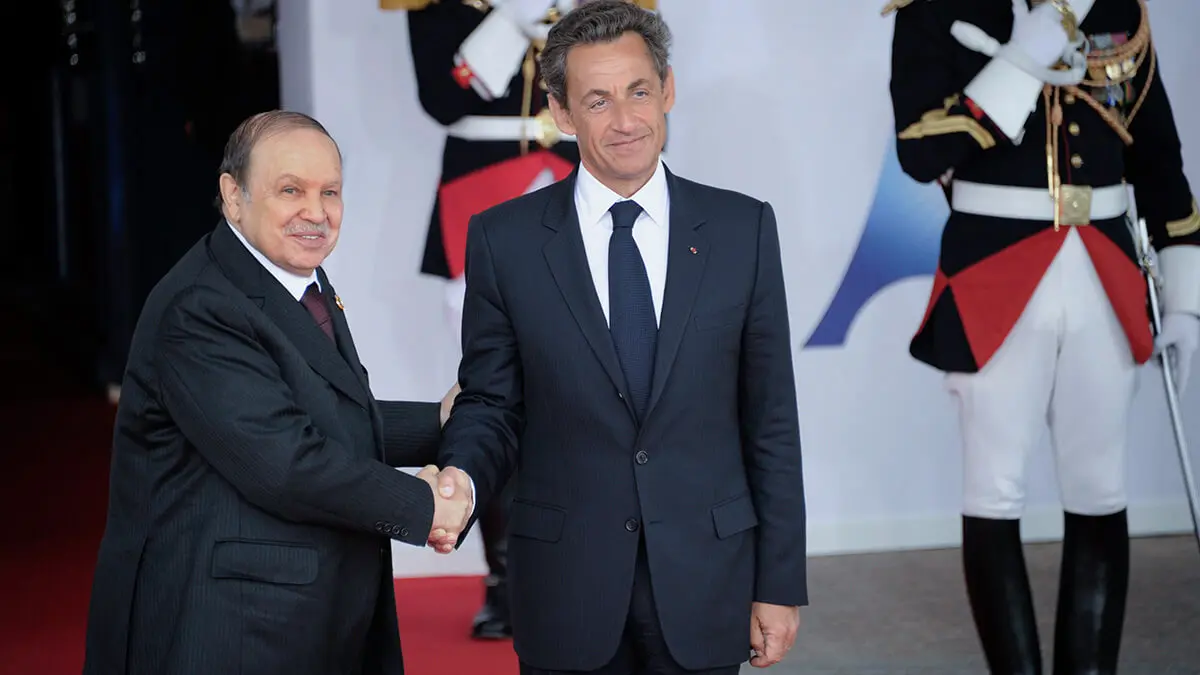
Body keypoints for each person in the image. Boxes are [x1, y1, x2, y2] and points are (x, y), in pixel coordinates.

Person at [425, 2, 809, 673]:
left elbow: (771, 418)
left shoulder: (741, 229)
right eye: (597, 101)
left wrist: (779, 583)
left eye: (638, 91)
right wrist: (459, 476)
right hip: (563, 589)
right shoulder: (503, 239)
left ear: (668, 89)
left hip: (706, 583)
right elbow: (491, 402)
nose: (626, 121)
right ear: (562, 113)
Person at [81, 110, 471, 675]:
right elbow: (284, 462)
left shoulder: (285, 276)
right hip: (225, 628)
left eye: (330, 192)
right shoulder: (201, 306)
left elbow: (315, 413)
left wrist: (439, 421)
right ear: (233, 196)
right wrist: (425, 505)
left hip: (296, 612)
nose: (316, 213)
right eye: (291, 190)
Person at [884, 0, 1200, 672]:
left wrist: (1187, 300)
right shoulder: (937, 11)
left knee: (1100, 490)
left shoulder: (1118, 9)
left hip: (1106, 274)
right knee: (993, 493)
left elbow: (1162, 164)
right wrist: (1020, 59)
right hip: (996, 272)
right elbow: (920, 149)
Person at [390, 0, 658, 639]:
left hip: (579, 182)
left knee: (599, 382)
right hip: (480, 189)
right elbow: (443, 97)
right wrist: (509, 17)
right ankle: (506, 576)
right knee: (490, 392)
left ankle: (607, 561)